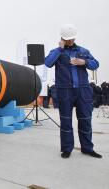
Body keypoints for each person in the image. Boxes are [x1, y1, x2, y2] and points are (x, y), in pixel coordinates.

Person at [45, 24, 102, 159]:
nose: (70, 41)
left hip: (83, 90)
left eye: (71, 38)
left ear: (74, 37)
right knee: (65, 121)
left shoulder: (83, 51)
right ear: (62, 38)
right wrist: (60, 48)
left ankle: (87, 148)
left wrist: (84, 62)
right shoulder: (57, 51)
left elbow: (96, 64)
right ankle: (67, 149)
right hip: (65, 91)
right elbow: (48, 63)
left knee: (85, 120)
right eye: (67, 39)